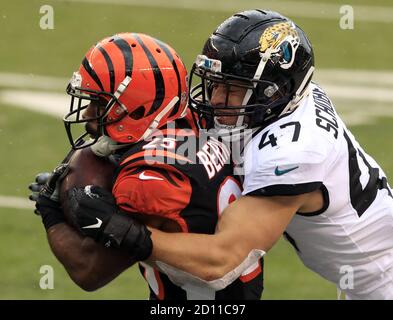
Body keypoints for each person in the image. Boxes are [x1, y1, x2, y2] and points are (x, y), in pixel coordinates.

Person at [68, 10, 393, 299]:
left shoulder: (295, 152)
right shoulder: (291, 104)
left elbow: (222, 261)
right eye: (215, 83)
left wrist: (123, 229)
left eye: (233, 88)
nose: (216, 100)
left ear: (275, 90)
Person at [29, 32, 263, 300]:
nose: (87, 114)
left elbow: (88, 270)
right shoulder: (196, 127)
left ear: (137, 108)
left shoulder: (148, 179)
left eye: (99, 103)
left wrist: (50, 210)